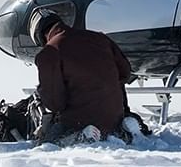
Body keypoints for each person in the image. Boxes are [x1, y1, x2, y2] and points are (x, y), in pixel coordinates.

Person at [30, 11, 135, 145]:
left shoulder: (49, 52)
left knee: (48, 141)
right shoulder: (101, 38)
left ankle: (80, 136)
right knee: (113, 123)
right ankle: (126, 128)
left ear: (40, 36)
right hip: (115, 117)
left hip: (80, 120)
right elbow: (125, 72)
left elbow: (55, 103)